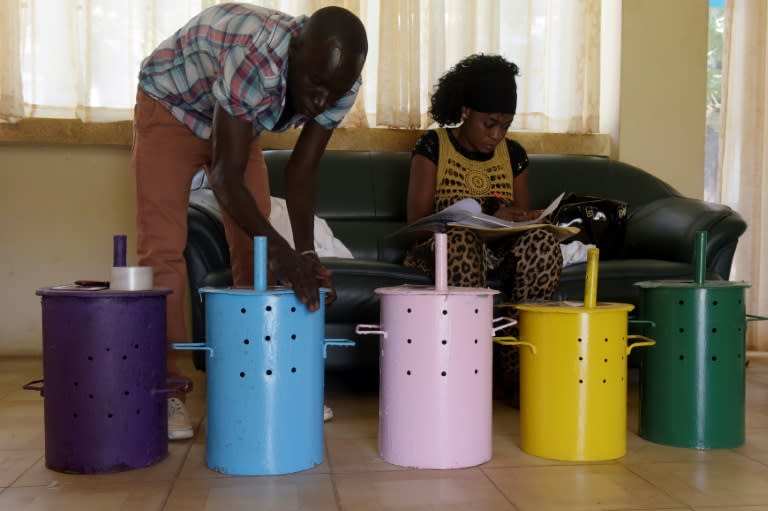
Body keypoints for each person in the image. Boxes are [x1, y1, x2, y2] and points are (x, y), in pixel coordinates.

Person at [132, 3, 368, 439]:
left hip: (237, 117)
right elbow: (224, 176)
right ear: (295, 50)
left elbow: (301, 174)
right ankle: (167, 392)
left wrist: (305, 255)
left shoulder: (341, 83)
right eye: (314, 85)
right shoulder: (258, 57)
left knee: (253, 250)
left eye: (331, 95)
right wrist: (282, 252)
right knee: (162, 248)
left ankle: (265, 380)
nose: (320, 102)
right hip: (172, 105)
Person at [402, 54, 563, 405]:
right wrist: (484, 209)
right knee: (459, 239)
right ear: (466, 111)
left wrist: (525, 219)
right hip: (441, 253)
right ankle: (468, 368)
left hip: (499, 252)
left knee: (542, 243)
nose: (496, 135)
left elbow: (522, 218)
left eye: (505, 125)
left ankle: (517, 369)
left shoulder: (514, 155)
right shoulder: (433, 146)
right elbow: (416, 223)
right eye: (489, 124)